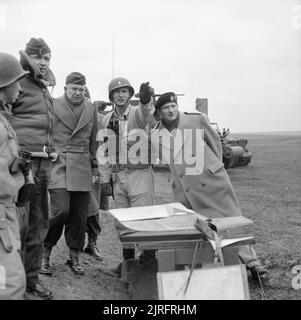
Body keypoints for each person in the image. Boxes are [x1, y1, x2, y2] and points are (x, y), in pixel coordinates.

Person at [151, 92, 266, 278]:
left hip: (211, 181)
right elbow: (167, 160)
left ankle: (252, 261)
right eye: (166, 108)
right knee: (191, 227)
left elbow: (215, 145)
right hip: (184, 188)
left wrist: (213, 168)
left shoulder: (196, 120)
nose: (171, 110)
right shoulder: (156, 133)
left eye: (173, 106)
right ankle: (196, 268)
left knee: (230, 220)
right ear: (159, 112)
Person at [10, 38, 56, 300]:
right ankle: (13, 284)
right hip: (20, 165)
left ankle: (31, 280)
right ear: (27, 57)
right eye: (38, 57)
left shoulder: (44, 87)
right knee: (18, 225)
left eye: (47, 58)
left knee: (39, 223)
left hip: (43, 164)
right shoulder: (15, 82)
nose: (42, 62)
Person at [41, 72, 99, 275]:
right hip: (59, 164)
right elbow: (44, 132)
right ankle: (44, 253)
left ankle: (73, 257)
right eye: (74, 89)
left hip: (82, 166)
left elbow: (93, 142)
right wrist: (50, 152)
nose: (78, 93)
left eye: (81, 90)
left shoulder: (91, 109)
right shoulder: (53, 104)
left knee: (79, 215)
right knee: (61, 211)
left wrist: (94, 168)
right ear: (66, 88)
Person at [97, 77, 156, 264]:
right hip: (119, 175)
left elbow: (145, 114)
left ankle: (147, 261)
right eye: (116, 91)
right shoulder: (106, 120)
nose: (120, 95)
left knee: (143, 219)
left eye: (124, 91)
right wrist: (105, 178)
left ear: (130, 94)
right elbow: (104, 151)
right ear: (111, 95)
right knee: (123, 221)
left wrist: (146, 101)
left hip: (140, 173)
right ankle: (128, 263)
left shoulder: (136, 114)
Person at [0, 52, 28, 300]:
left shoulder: (3, 119)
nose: (20, 87)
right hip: (0, 213)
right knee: (10, 286)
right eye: (16, 82)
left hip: (5, 212)